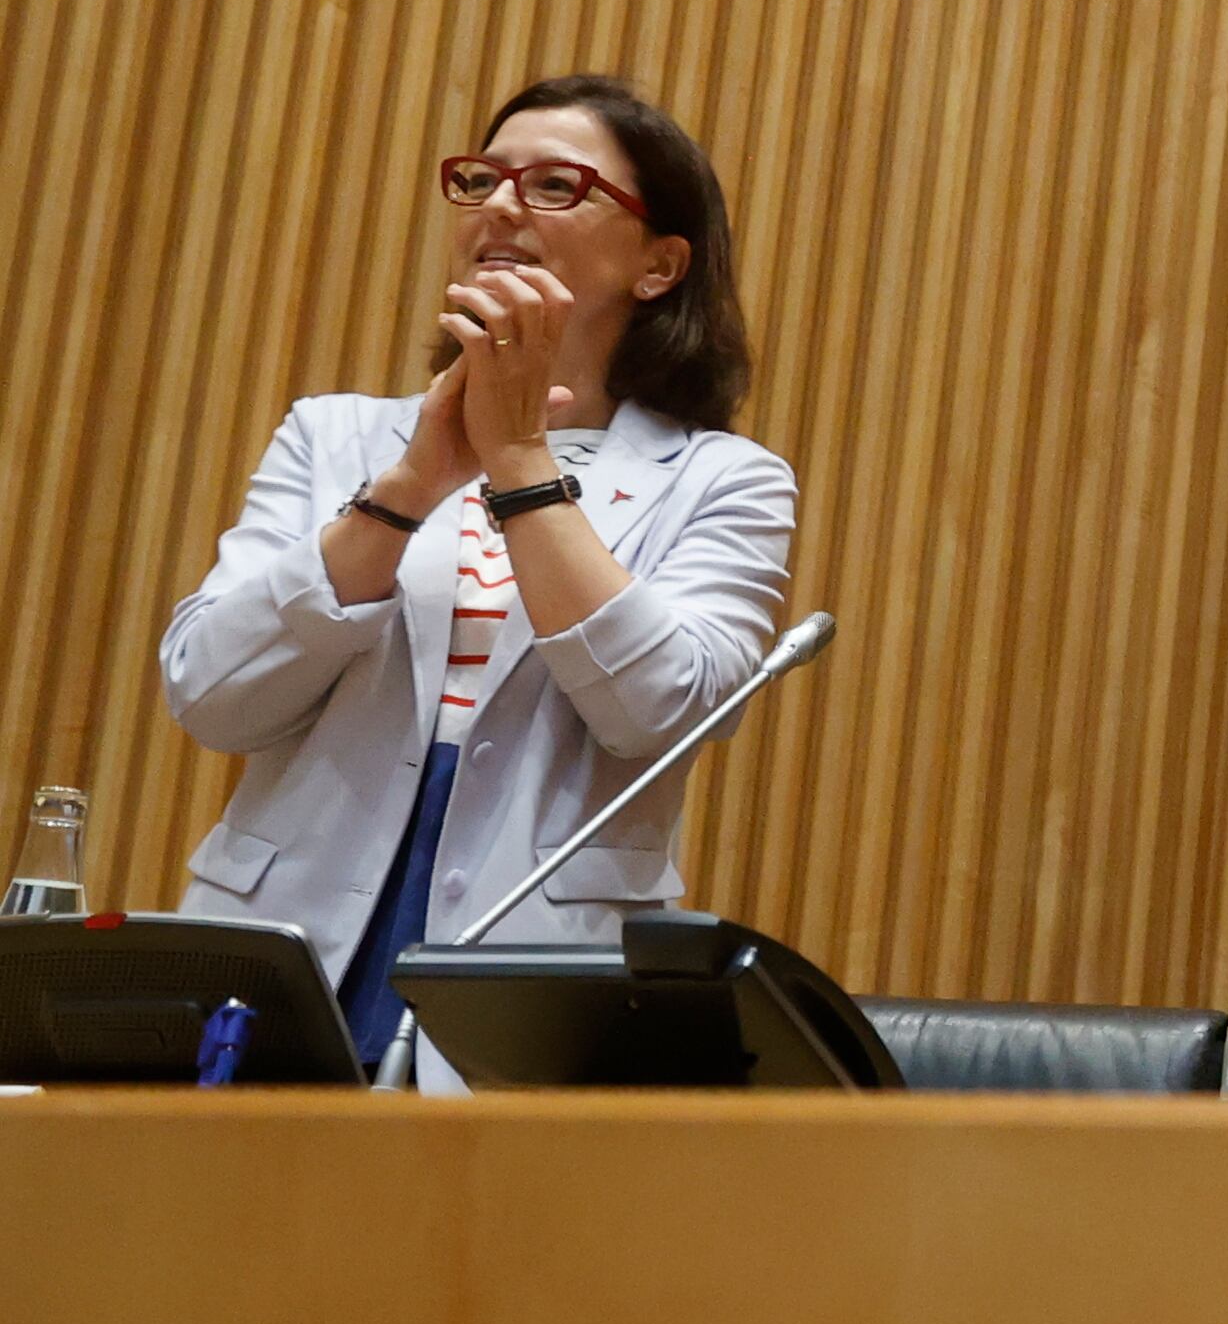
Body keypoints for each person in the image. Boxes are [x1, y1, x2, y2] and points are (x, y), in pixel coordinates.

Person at [159, 75, 793, 1081]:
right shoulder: (336, 436)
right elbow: (211, 695)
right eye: (482, 179)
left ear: (660, 265)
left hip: (536, 972)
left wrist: (521, 463)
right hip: (286, 938)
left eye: (554, 186)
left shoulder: (726, 480)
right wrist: (409, 486)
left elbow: (659, 709)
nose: (499, 205)